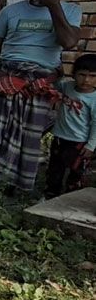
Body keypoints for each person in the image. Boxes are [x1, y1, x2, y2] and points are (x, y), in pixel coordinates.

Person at [0, 0, 82, 199]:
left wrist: (54, 6)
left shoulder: (72, 12)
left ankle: (15, 189)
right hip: (7, 81)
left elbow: (68, 42)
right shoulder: (11, 11)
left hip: (39, 87)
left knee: (28, 140)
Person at [44, 54, 96, 197]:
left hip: (79, 143)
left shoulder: (94, 99)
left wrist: (91, 145)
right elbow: (53, 84)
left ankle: (71, 198)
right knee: (55, 169)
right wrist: (57, 71)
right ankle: (50, 195)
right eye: (82, 75)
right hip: (60, 138)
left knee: (76, 172)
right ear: (74, 74)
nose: (86, 80)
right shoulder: (67, 87)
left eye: (92, 76)